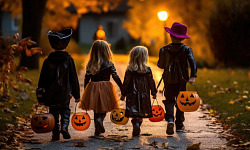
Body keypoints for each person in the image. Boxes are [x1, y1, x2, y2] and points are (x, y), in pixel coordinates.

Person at [36, 28, 80, 141]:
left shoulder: (47, 61)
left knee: (53, 113)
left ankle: (55, 134)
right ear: (66, 45)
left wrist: (40, 96)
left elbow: (42, 80)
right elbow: (74, 78)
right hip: (65, 93)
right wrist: (77, 95)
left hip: (51, 94)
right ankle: (64, 127)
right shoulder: (69, 60)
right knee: (65, 110)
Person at [157, 22, 197, 135]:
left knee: (169, 100)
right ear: (183, 38)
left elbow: (161, 65)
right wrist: (193, 76)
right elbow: (192, 62)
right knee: (182, 101)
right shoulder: (187, 49)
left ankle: (170, 120)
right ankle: (179, 124)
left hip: (168, 80)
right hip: (182, 80)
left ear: (170, 35)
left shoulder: (163, 50)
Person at [79, 40, 122, 136]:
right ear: (107, 51)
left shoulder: (90, 64)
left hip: (93, 87)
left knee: (96, 108)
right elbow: (115, 76)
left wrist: (86, 89)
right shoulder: (109, 64)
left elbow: (87, 78)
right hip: (106, 87)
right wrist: (122, 87)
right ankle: (100, 119)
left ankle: (97, 129)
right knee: (103, 108)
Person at [121, 46, 157, 136]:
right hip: (144, 95)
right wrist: (154, 92)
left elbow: (126, 83)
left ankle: (135, 123)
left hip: (131, 94)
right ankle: (138, 124)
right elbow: (151, 82)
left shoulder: (129, 70)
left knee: (134, 112)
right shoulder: (147, 69)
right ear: (145, 57)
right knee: (141, 112)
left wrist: (123, 94)